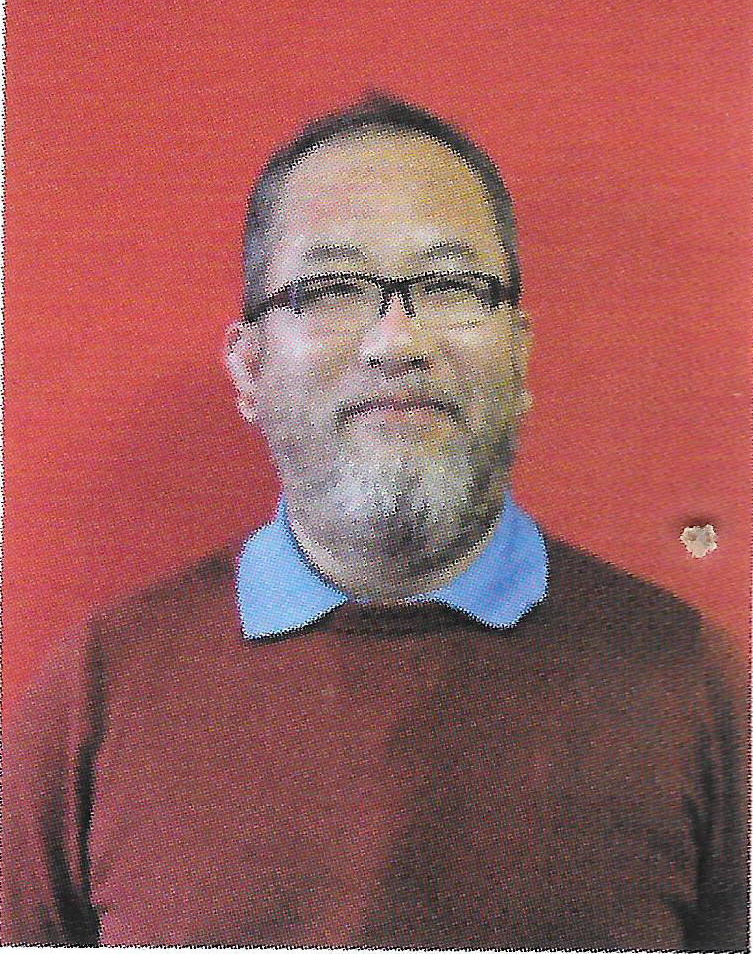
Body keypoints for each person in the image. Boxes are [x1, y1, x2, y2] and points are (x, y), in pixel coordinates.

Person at [3, 93, 748, 951]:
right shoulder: (93, 699)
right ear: (248, 368)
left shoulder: (695, 685)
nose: (396, 342)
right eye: (332, 289)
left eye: (449, 285)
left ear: (519, 353)